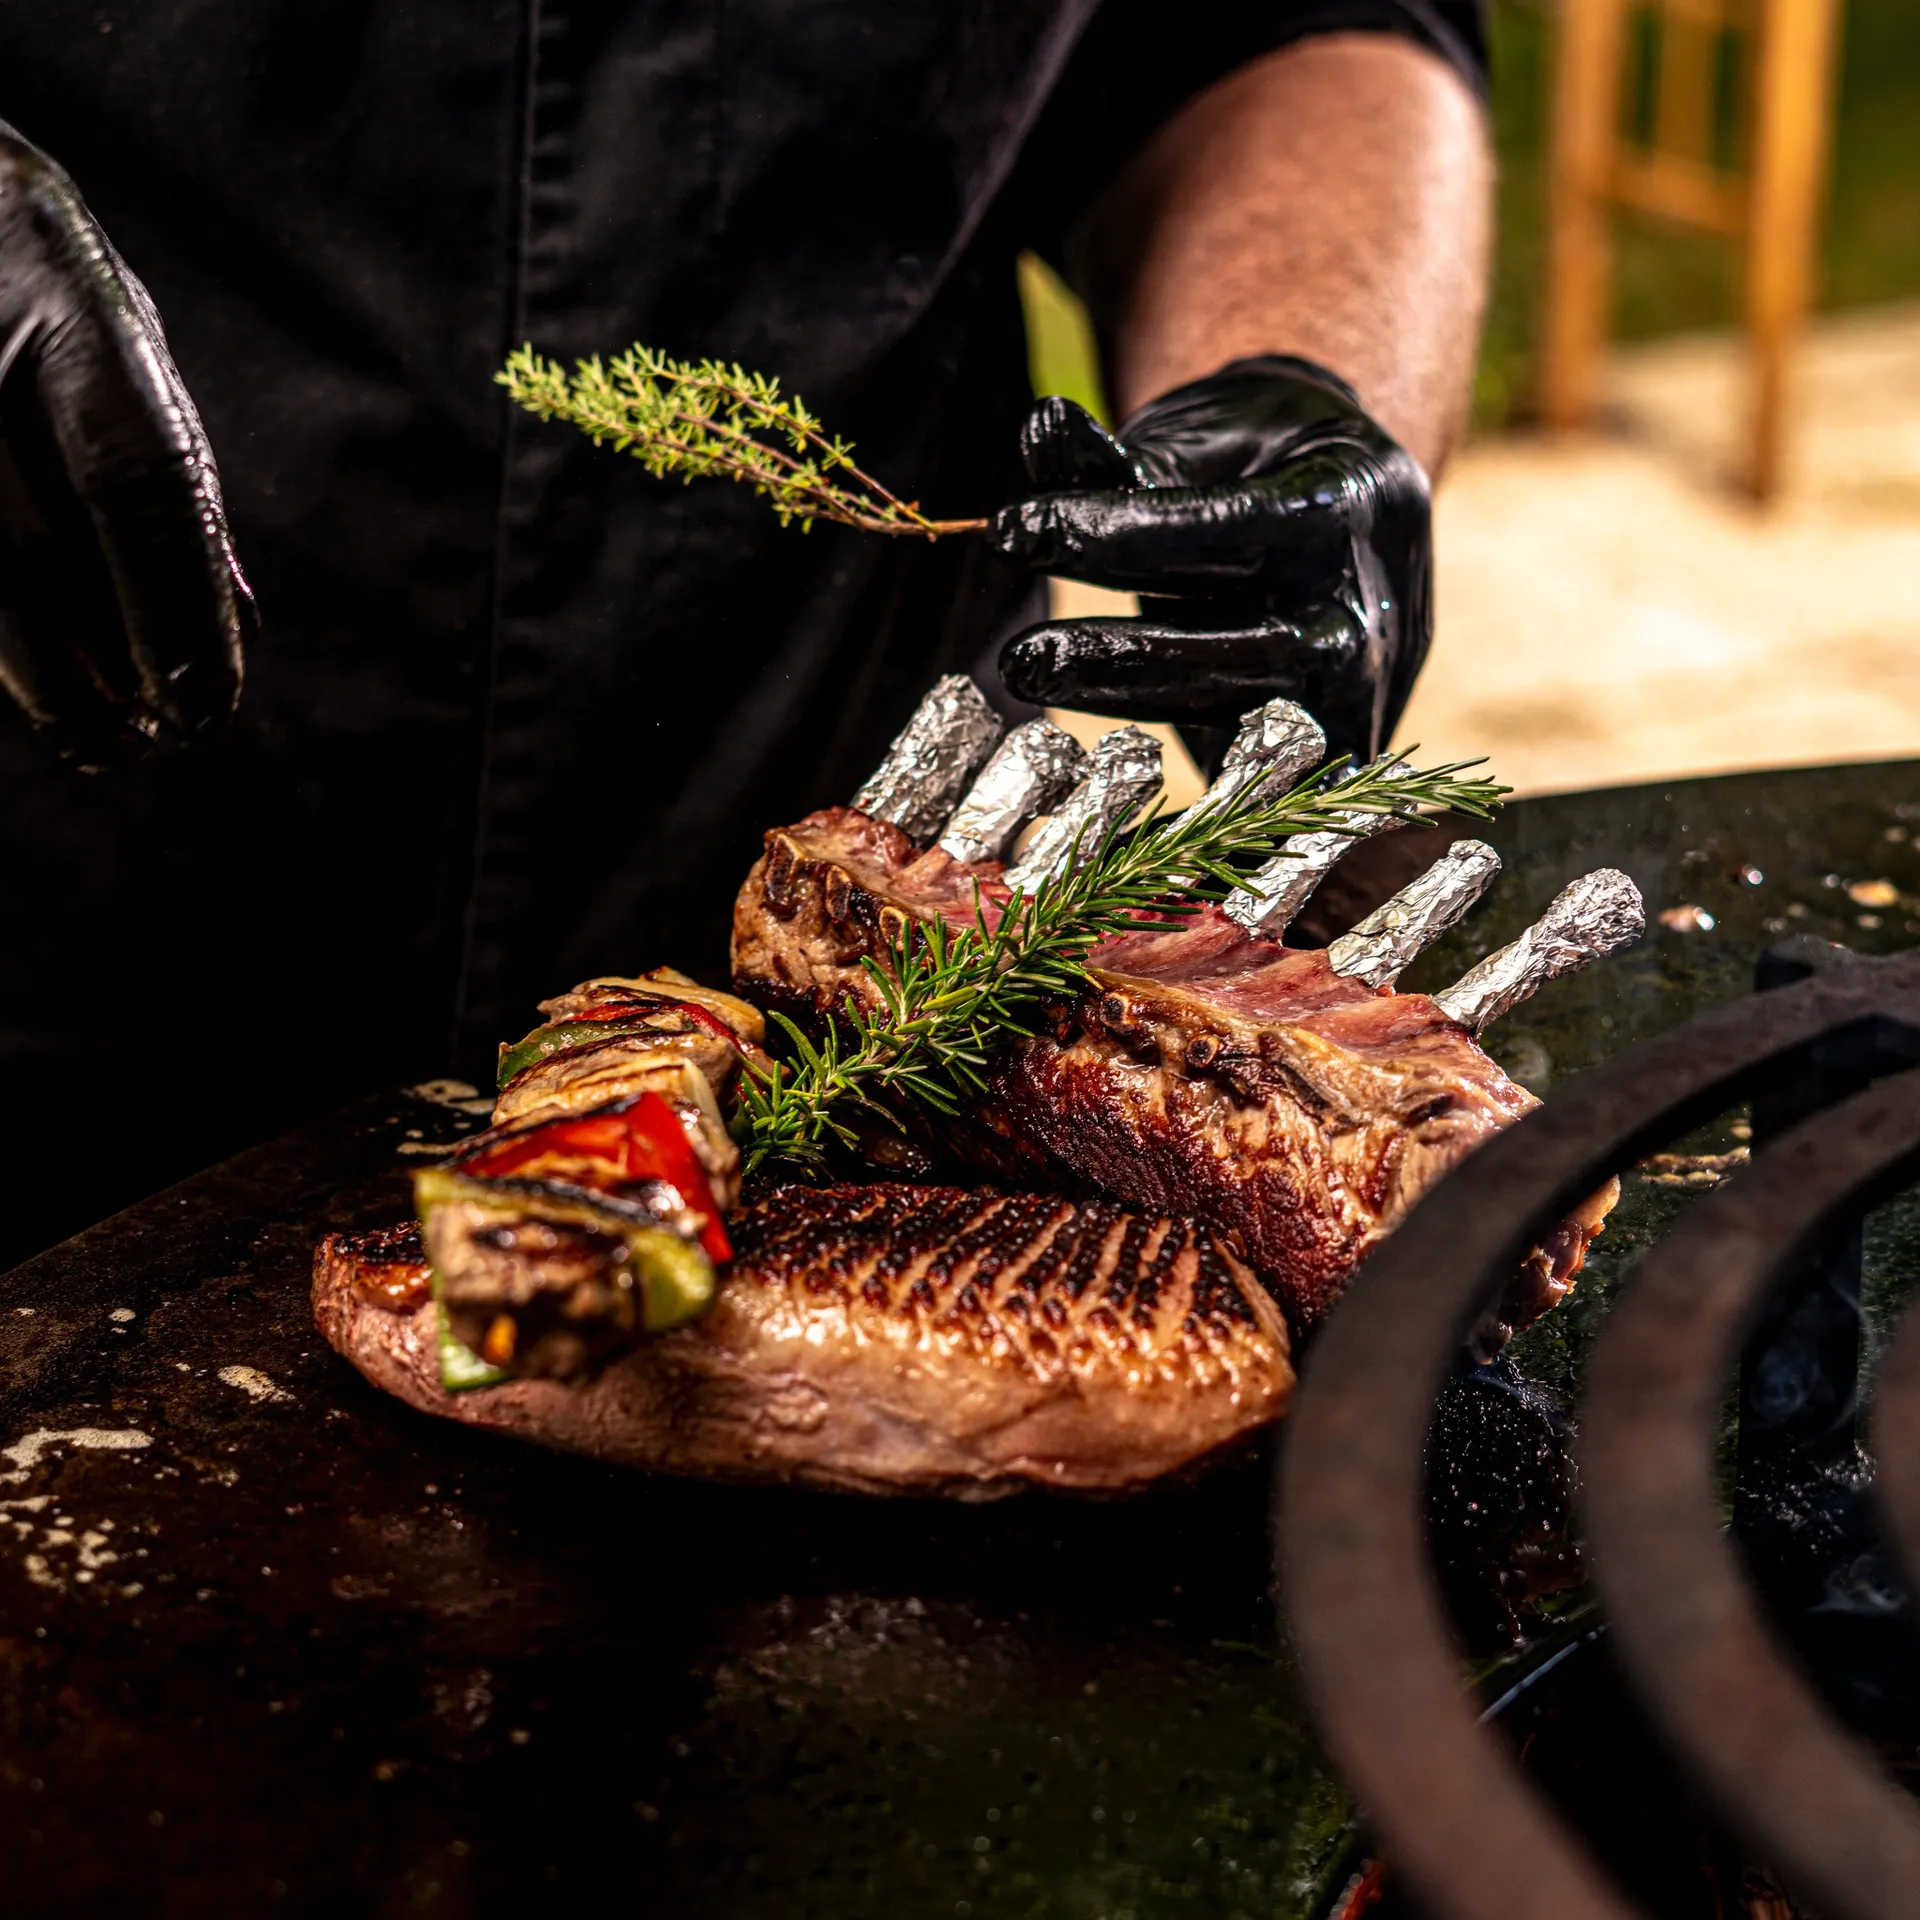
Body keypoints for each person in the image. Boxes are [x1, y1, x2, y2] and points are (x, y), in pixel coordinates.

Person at [0, 2, 1490, 1261]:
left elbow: (1273, 22)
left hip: (852, 971)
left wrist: (1302, 361)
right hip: (82, 874)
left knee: (587, 1434)